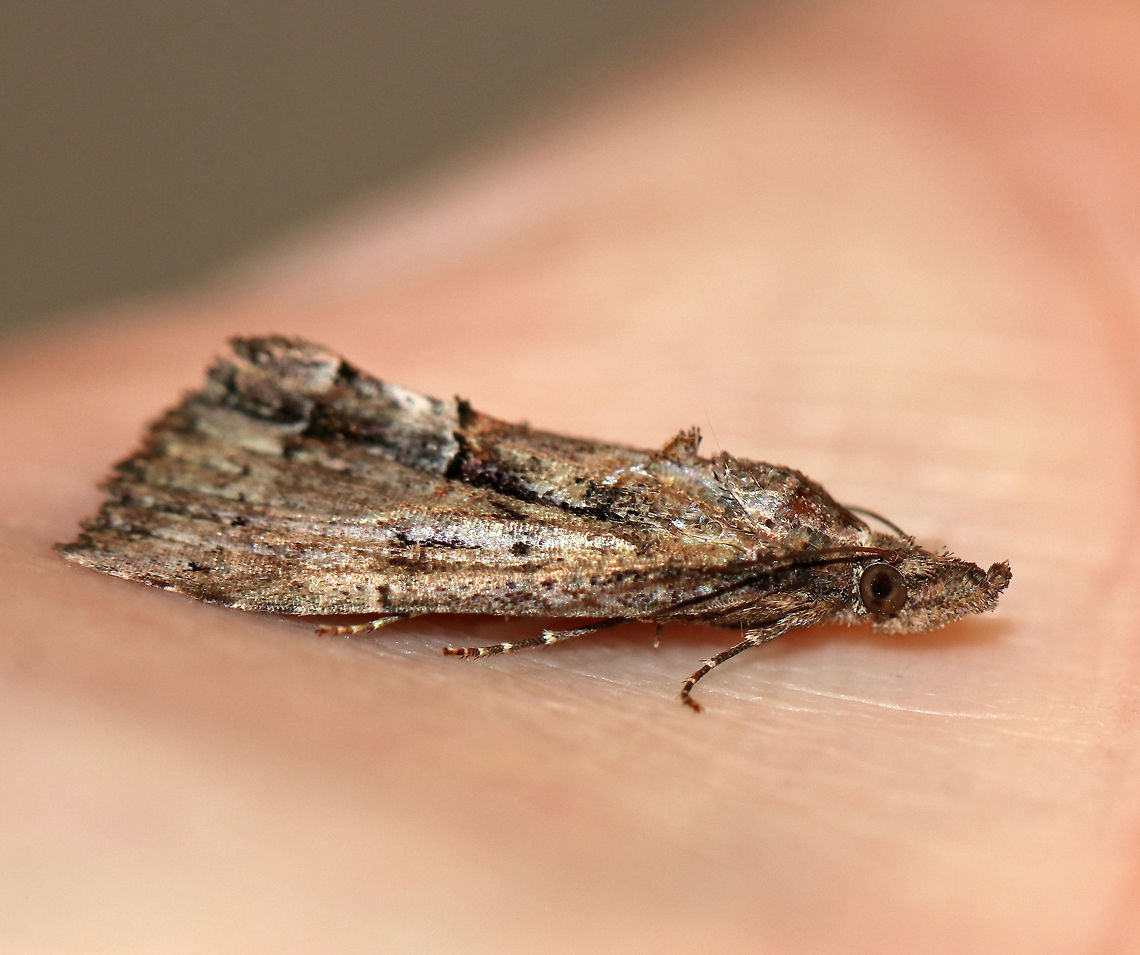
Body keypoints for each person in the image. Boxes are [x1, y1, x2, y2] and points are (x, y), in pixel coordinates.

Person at [3, 2, 1137, 949]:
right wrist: (534, 633)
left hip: (549, 480)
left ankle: (274, 432)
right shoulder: (771, 556)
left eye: (894, 586)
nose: (887, 593)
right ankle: (219, 486)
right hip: (495, 525)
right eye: (888, 588)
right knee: (516, 552)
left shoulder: (822, 560)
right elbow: (650, 590)